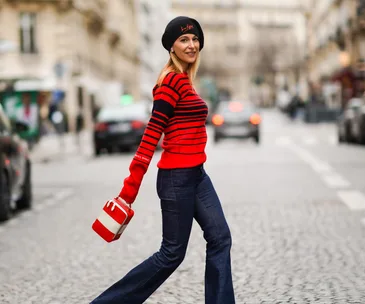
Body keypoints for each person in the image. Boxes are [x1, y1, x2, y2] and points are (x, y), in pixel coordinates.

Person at [91, 16, 235, 304]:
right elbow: (150, 137)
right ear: (171, 46)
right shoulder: (169, 83)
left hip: (196, 175)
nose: (191, 44)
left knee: (220, 238)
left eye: (195, 39)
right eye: (184, 40)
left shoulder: (184, 81)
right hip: (176, 178)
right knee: (171, 254)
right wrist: (129, 190)